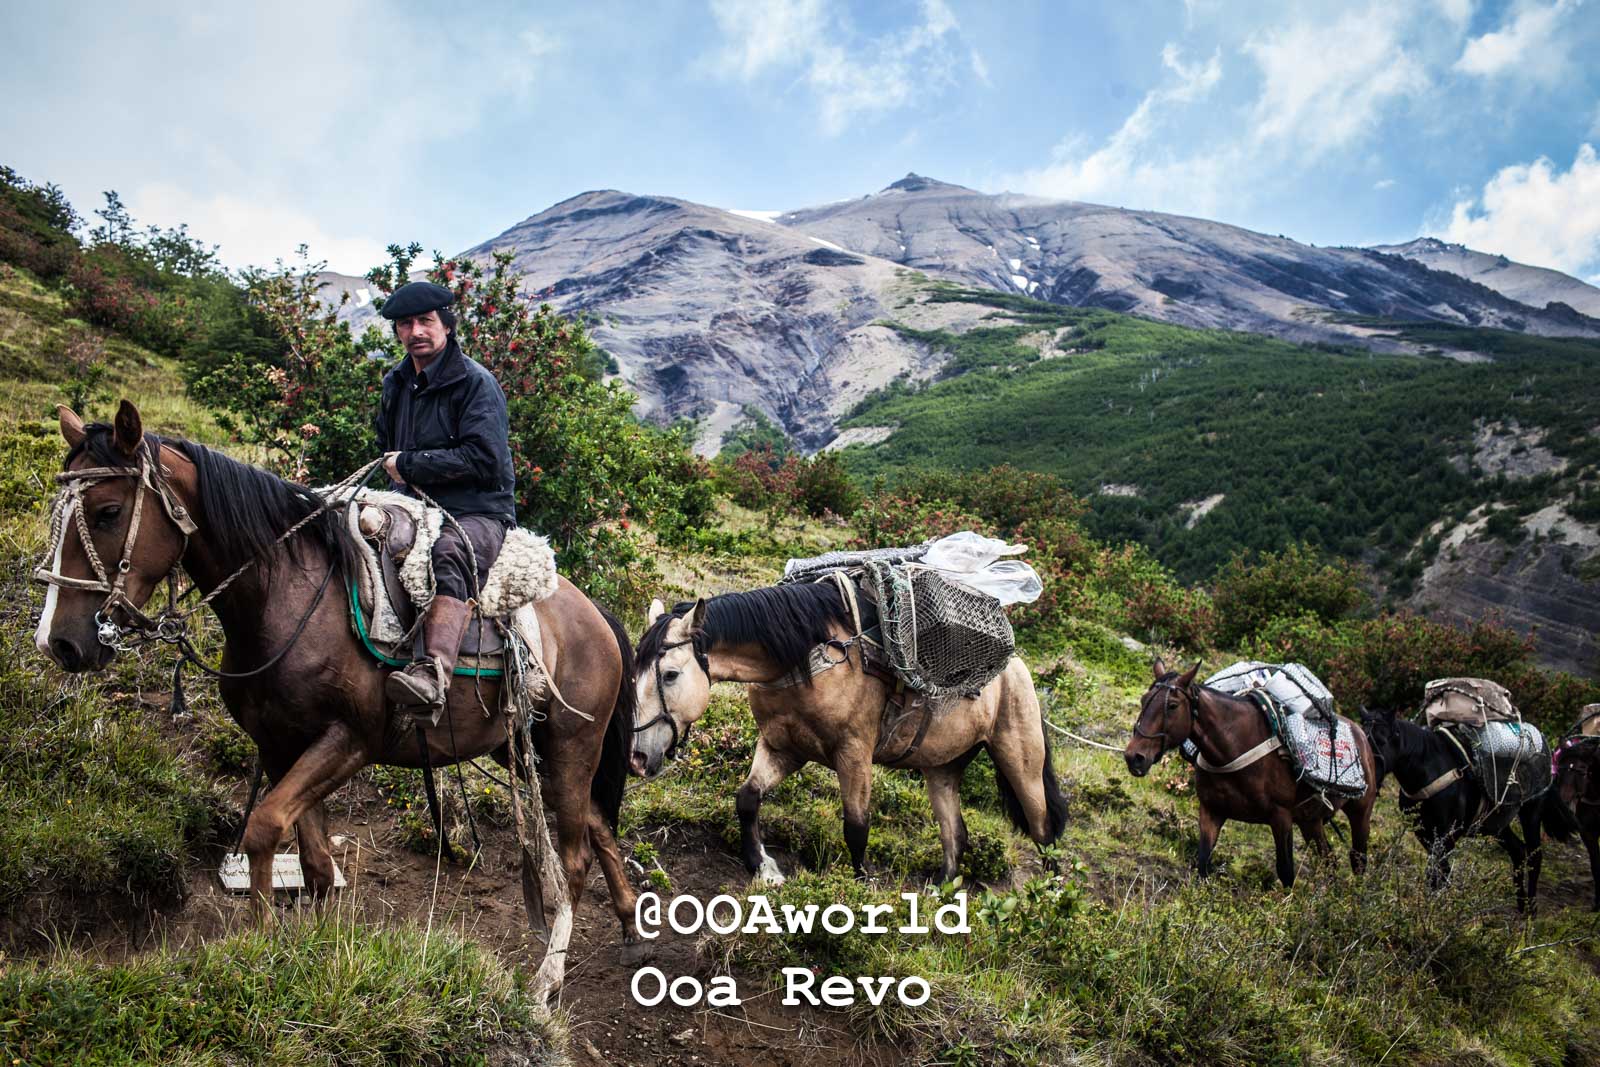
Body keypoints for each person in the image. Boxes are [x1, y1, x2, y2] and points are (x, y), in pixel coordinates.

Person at [373, 280, 516, 720]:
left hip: (477, 510)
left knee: (451, 552)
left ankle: (432, 674)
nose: (416, 331)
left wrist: (411, 465)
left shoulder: (476, 383)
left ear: (447, 326)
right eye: (405, 324)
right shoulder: (396, 383)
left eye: (425, 321)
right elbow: (385, 449)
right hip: (410, 503)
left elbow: (486, 461)